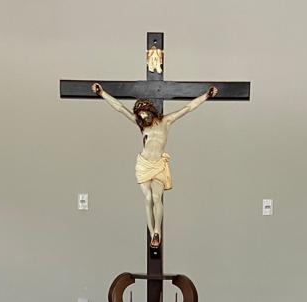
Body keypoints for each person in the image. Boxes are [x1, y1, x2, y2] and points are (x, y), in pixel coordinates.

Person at [91, 82, 217, 248]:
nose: (143, 117)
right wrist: (102, 93)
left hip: (158, 165)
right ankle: (152, 234)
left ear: (151, 110)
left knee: (157, 197)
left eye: (144, 113)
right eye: (140, 114)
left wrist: (206, 96)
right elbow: (121, 108)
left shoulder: (166, 121)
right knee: (148, 198)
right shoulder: (141, 125)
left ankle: (157, 231)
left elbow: (187, 108)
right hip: (144, 165)